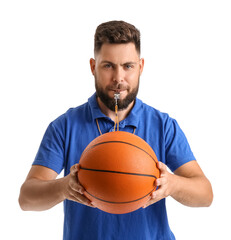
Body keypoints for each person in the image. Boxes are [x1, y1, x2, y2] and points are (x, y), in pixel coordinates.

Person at [19, 20, 213, 240]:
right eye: (108, 65)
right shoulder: (64, 126)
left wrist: (172, 184)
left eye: (128, 66)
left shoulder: (163, 125)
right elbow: (26, 198)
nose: (118, 78)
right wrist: (64, 187)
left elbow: (205, 194)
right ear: (93, 67)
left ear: (141, 67)